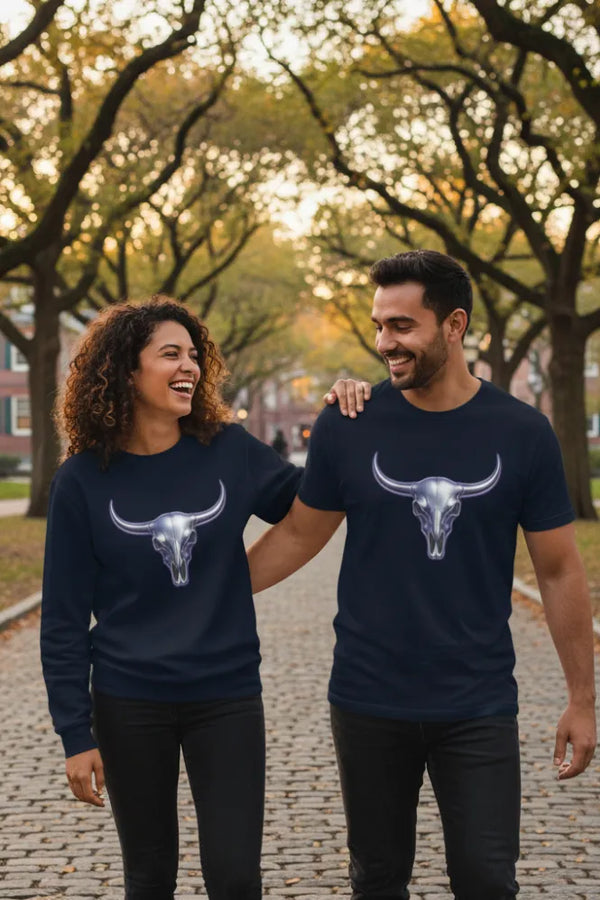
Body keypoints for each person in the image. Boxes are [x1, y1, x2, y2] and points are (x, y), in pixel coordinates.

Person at [247, 250, 597, 900]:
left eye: (402, 326)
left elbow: (557, 570)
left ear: (455, 324)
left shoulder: (523, 434)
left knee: (488, 881)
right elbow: (299, 533)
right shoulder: (348, 424)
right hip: (367, 697)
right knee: (377, 881)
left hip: (479, 702)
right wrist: (204, 590)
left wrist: (582, 699)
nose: (385, 343)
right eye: (379, 326)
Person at [39, 295, 368, 900]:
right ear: (125, 370)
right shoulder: (81, 482)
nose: (188, 365)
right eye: (170, 354)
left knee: (237, 877)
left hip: (227, 696)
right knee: (148, 877)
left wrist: (340, 419)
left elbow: (311, 503)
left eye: (193, 354)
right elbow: (61, 619)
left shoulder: (229, 450)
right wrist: (75, 735)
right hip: (127, 701)